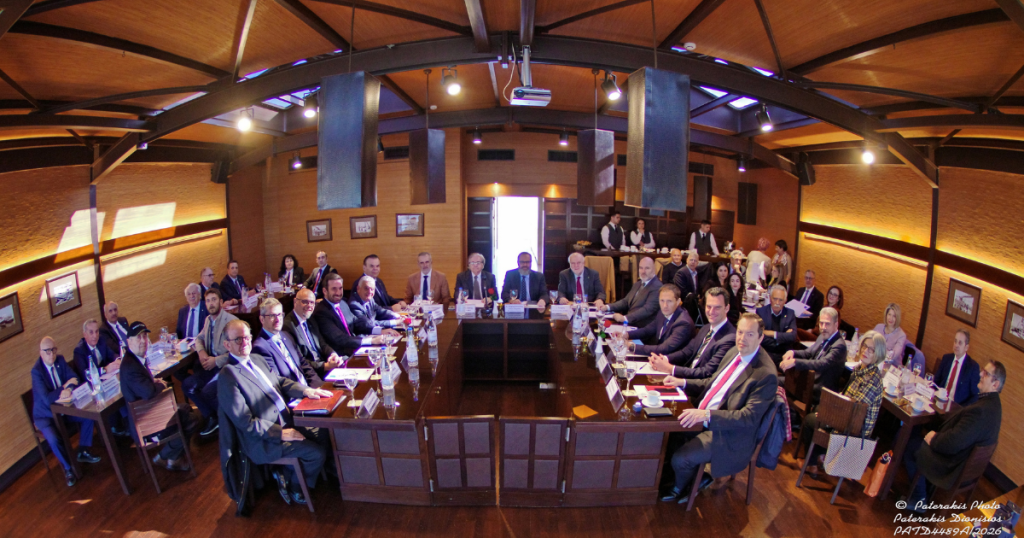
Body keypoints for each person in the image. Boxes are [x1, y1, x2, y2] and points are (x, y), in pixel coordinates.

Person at [658, 313, 777, 505]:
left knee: (681, 458)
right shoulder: (734, 351)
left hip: (729, 434)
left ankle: (682, 487)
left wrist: (706, 415)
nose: (742, 338)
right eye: (740, 332)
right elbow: (712, 383)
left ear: (761, 337)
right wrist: (682, 382)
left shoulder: (765, 374)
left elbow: (747, 417)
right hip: (706, 417)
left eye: (749, 334)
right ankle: (676, 476)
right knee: (666, 433)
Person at [217, 319, 333, 506]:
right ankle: (295, 487)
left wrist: (306, 390)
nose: (244, 342)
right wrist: (281, 433)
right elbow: (245, 422)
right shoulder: (228, 375)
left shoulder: (257, 359)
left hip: (287, 421)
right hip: (264, 439)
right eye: (238, 339)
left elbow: (280, 382)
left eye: (247, 337)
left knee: (325, 432)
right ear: (227, 345)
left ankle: (291, 472)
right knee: (316, 453)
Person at [902, 360, 1004, 513]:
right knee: (922, 438)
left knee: (911, 446)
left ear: (995, 384)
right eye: (983, 370)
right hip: (963, 462)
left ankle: (919, 498)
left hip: (953, 465)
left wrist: (934, 439)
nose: (980, 374)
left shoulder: (981, 410)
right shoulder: (994, 406)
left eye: (986, 374)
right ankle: (926, 491)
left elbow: (953, 443)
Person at [799, 331, 886, 474]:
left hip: (853, 431)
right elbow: (847, 398)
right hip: (846, 417)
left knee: (809, 420)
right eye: (864, 346)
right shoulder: (861, 369)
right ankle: (821, 456)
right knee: (818, 407)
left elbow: (855, 412)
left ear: (878, 354)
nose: (865, 351)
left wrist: (829, 415)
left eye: (871, 350)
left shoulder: (872, 380)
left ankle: (812, 463)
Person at [119, 321, 197, 472]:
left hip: (151, 413)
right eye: (138, 338)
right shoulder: (130, 366)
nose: (143, 341)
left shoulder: (135, 359)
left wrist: (153, 382)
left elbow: (144, 387)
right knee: (191, 419)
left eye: (144, 336)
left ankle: (174, 458)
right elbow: (148, 392)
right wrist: (160, 384)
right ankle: (165, 456)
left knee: (186, 408)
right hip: (147, 424)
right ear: (129, 342)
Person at [31, 336, 102, 487]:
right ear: (41, 352)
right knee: (53, 439)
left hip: (64, 409)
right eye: (47, 351)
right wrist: (64, 387)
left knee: (89, 415)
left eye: (53, 350)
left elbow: (74, 377)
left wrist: (69, 388)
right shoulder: (36, 372)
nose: (51, 354)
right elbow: (47, 399)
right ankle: (68, 469)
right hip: (46, 416)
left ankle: (83, 450)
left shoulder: (60, 360)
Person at [651, 287, 736, 379]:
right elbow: (687, 352)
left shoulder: (730, 338)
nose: (711, 311)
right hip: (685, 377)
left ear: (727, 308)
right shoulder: (706, 328)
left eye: (717, 307)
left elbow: (706, 372)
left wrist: (670, 369)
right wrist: (664, 359)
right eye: (709, 306)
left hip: (695, 384)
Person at [187, 287, 238, 437]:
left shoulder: (231, 321)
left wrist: (216, 361)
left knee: (206, 391)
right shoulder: (208, 320)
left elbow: (237, 352)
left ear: (221, 302)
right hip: (210, 364)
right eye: (208, 301)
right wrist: (201, 351)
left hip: (225, 365)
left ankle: (227, 420)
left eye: (214, 300)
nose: (211, 303)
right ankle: (211, 416)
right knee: (187, 385)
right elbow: (199, 339)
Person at [780, 307, 848, 400]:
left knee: (777, 381)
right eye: (821, 323)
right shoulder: (822, 336)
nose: (823, 327)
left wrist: (795, 362)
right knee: (775, 379)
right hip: (809, 380)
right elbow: (808, 353)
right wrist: (792, 352)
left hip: (820, 390)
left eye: (827, 324)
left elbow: (821, 363)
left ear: (836, 325)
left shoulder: (839, 345)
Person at [253, 298, 323, 388]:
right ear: (262, 319)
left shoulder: (286, 335)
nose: (278, 319)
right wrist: (306, 391)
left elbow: (304, 364)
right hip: (295, 393)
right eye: (272, 316)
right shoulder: (260, 347)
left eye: (280, 315)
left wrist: (319, 386)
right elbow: (278, 381)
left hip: (310, 389)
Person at [315, 274, 389, 356]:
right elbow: (339, 338)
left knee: (387, 353)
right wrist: (371, 341)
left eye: (340, 288)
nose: (338, 293)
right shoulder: (321, 312)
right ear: (325, 291)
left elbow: (357, 323)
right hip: (342, 356)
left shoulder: (342, 303)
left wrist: (379, 330)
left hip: (356, 349)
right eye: (334, 289)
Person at [283, 288, 343, 377]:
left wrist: (333, 355)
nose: (309, 306)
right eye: (305, 302)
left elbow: (322, 344)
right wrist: (325, 366)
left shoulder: (310, 318)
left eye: (312, 302)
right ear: (295, 301)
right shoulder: (288, 326)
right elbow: (299, 360)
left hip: (324, 364)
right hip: (311, 373)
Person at [627, 285, 693, 356]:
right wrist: (626, 334)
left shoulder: (683, 323)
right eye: (662, 300)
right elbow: (647, 330)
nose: (665, 305)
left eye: (669, 301)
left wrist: (632, 347)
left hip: (671, 360)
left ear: (678, 302)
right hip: (659, 356)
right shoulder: (663, 312)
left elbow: (663, 349)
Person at [602, 256, 662, 328]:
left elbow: (647, 310)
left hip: (642, 328)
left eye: (647, 268)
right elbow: (625, 302)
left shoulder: (657, 287)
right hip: (630, 324)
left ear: (654, 269)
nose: (643, 271)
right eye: (641, 268)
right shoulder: (637, 284)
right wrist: (607, 307)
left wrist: (625, 318)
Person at [934, 329, 981, 406]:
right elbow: (936, 381)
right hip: (939, 400)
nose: (956, 345)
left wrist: (961, 409)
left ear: (966, 347)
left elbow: (975, 396)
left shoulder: (972, 367)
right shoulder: (946, 358)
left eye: (960, 343)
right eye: (955, 341)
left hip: (956, 407)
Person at [756, 285, 797, 365]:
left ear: (785, 300)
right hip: (765, 353)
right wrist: (783, 338)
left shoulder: (790, 313)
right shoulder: (761, 312)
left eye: (781, 300)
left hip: (783, 355)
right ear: (770, 298)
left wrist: (773, 334)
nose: (777, 303)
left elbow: (793, 336)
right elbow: (760, 337)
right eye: (775, 299)